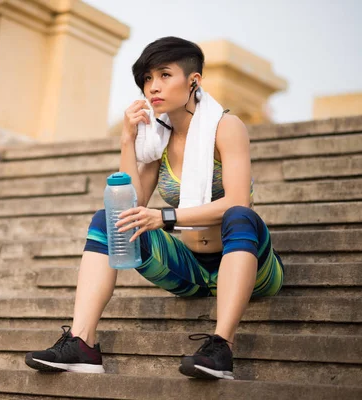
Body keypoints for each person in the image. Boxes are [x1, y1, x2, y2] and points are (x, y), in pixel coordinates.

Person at [25, 36, 284, 380]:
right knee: (109, 219)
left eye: (164, 75)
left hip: (249, 268)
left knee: (240, 216)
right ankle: (82, 342)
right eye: (147, 78)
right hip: (188, 270)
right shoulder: (156, 138)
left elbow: (237, 200)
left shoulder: (226, 127)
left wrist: (166, 217)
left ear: (194, 80)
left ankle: (222, 346)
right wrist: (128, 139)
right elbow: (131, 204)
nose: (153, 87)